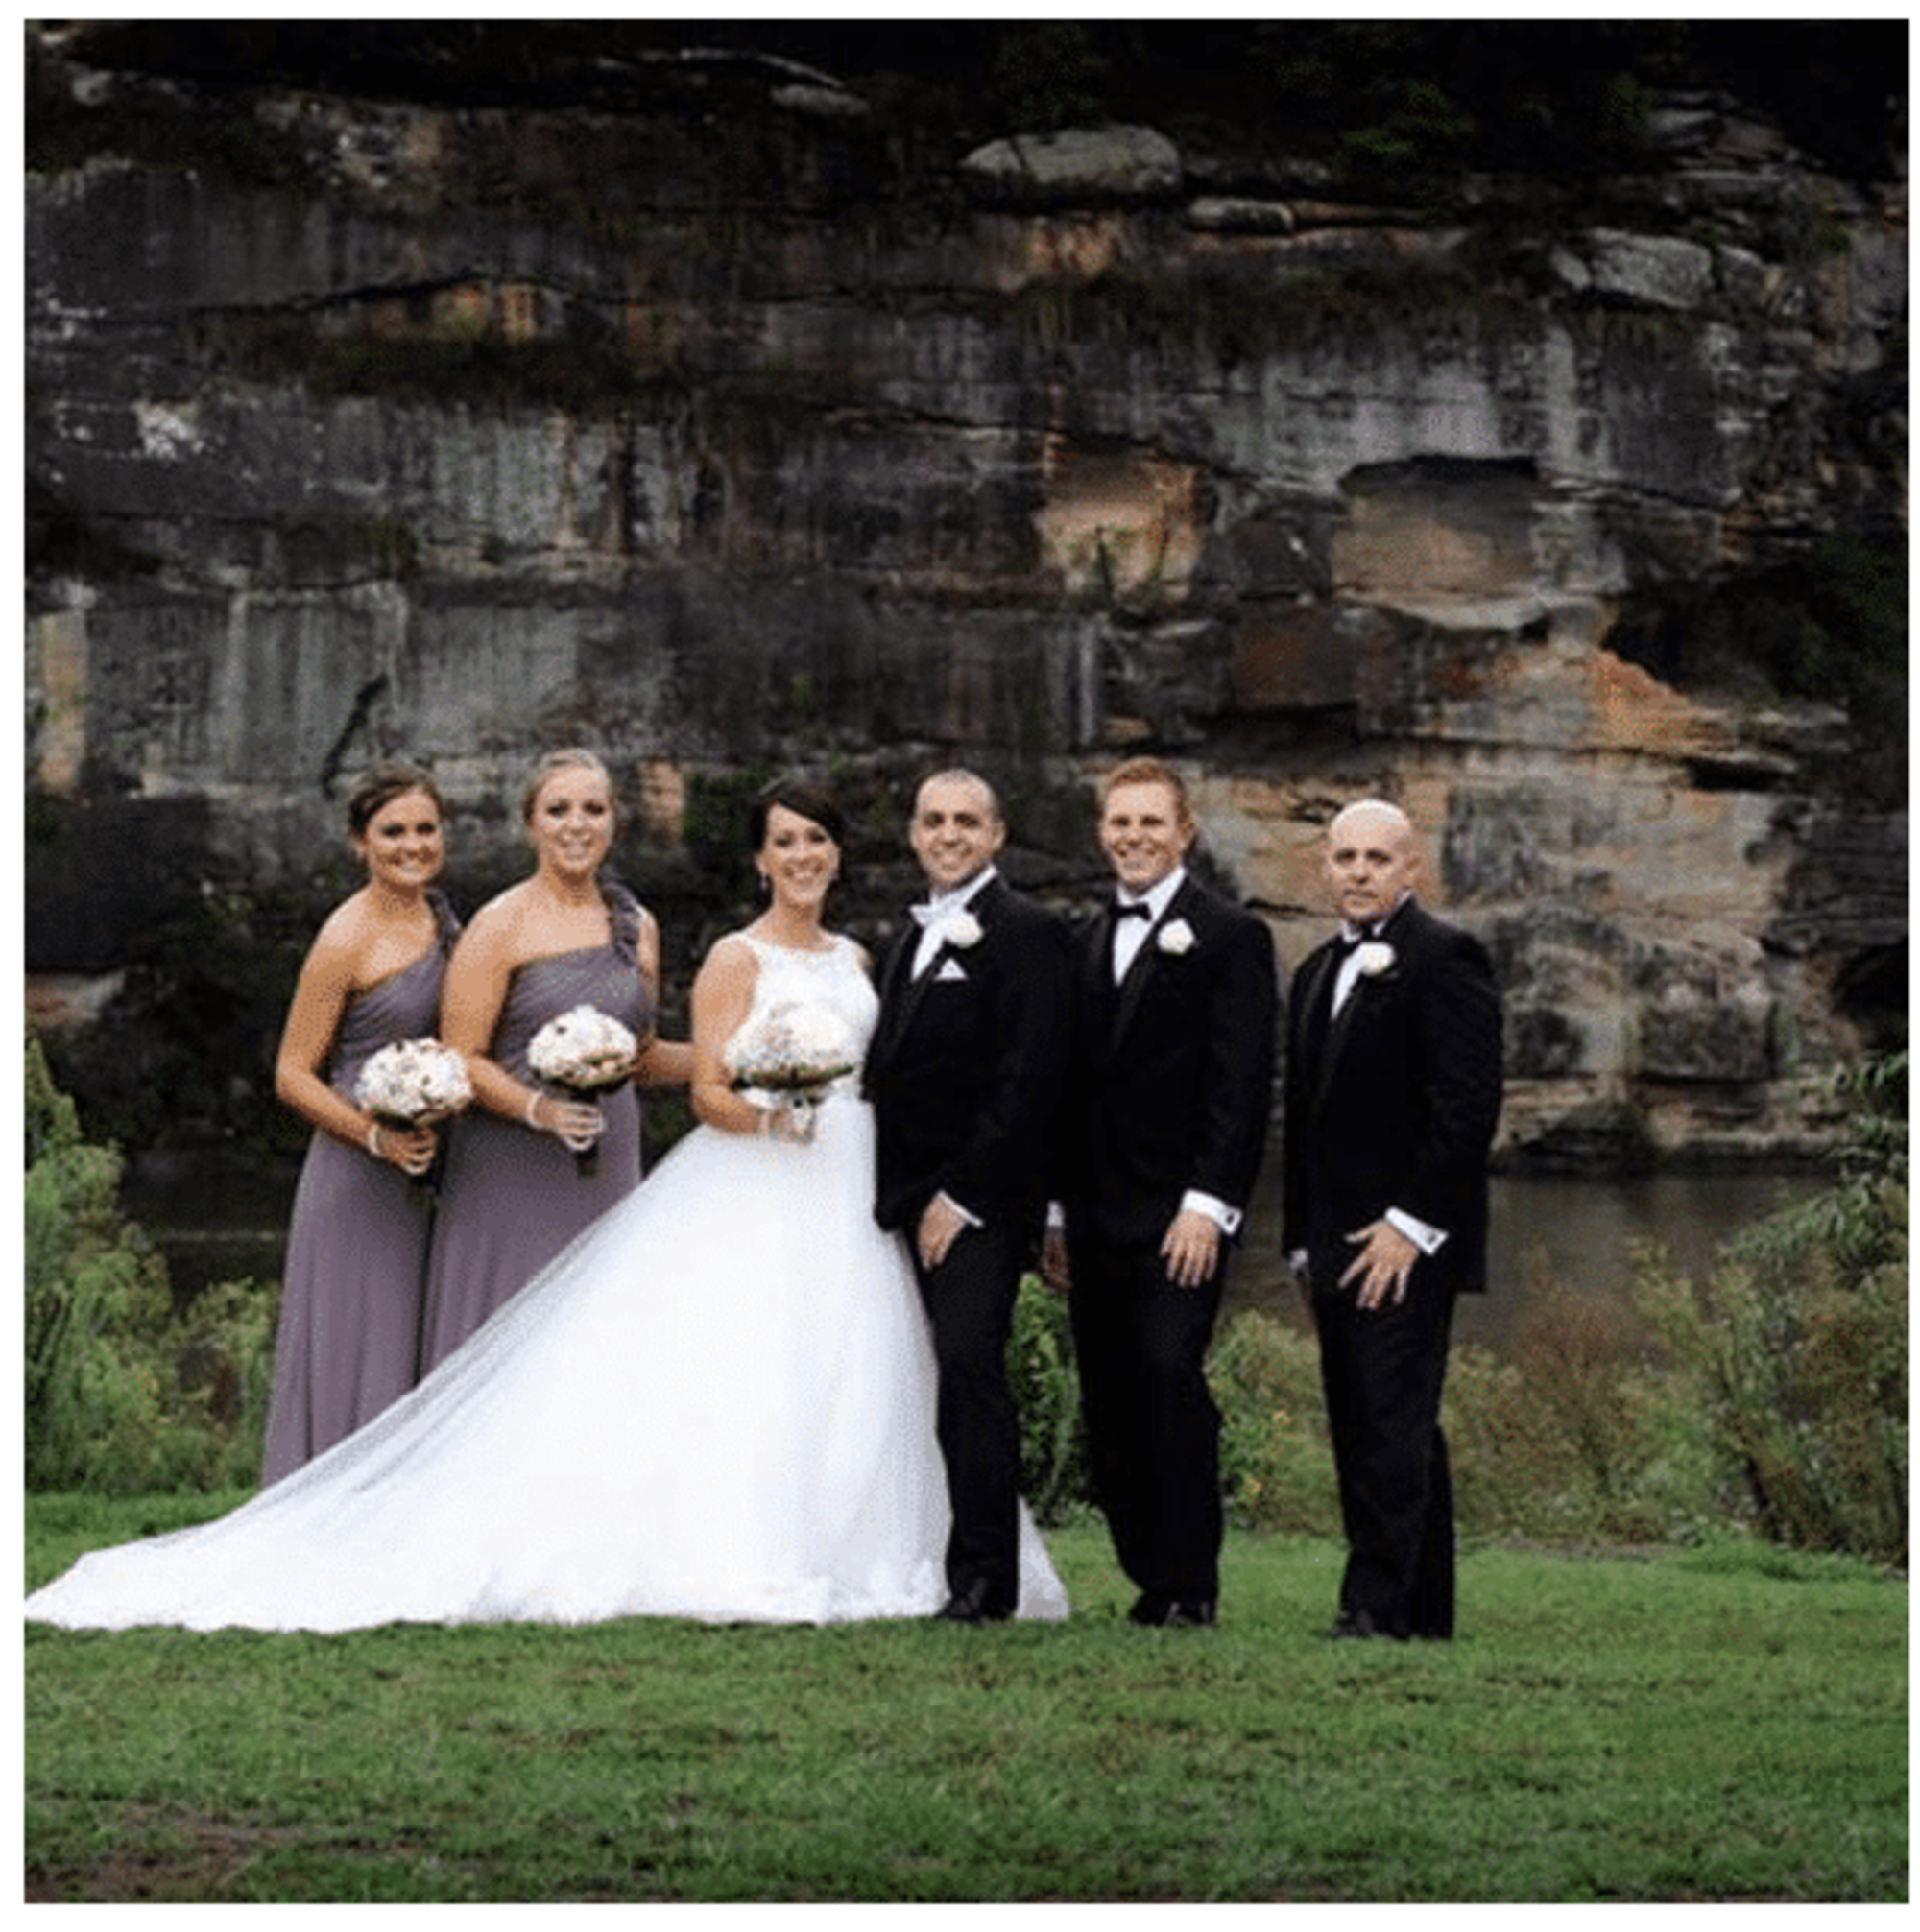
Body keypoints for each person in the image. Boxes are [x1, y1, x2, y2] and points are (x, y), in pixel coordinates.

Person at [24, 779, 1068, 1632]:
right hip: (697, 1162)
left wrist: (644, 1067)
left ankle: (888, 1546)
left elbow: (714, 1063)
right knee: (695, 1359)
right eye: (783, 842)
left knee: (859, 1363)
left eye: (816, 842)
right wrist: (740, 1108)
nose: (800, 857)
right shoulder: (643, 942)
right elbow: (686, 1078)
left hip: (845, 1177)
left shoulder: (840, 954)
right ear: (760, 857)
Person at [1044, 756, 1277, 1628]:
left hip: (1181, 1216)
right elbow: (1069, 1089)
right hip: (1095, 1215)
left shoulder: (1229, 936)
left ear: (1184, 833)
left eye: (1151, 822)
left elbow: (1241, 1085)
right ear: (1102, 832)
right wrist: (1057, 1211)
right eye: (1119, 822)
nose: (1133, 837)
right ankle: (1149, 1572)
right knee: (1109, 1394)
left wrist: (1208, 1203)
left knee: (1170, 1376)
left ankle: (1195, 1581)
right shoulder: (1087, 938)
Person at [1283, 798, 1502, 1641]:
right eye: (1346, 857)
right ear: (1327, 867)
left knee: (1391, 1419)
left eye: (1379, 857)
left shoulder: (1446, 958)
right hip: (1335, 1243)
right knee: (1367, 1420)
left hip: (1406, 1241)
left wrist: (1410, 1225)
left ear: (1412, 868)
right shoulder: (1311, 974)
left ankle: (1372, 1608)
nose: (1360, 872)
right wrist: (1301, 1246)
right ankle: (1423, 1609)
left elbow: (1466, 1109)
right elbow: (1303, 1126)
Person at [864, 770, 1075, 1622]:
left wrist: (969, 1194)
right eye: (933, 821)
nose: (948, 834)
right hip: (905, 1199)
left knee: (969, 1368)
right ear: (914, 834)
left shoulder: (1029, 933)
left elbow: (1032, 1080)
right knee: (930, 1374)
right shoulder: (902, 939)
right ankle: (950, 1559)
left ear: (996, 834)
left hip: (978, 1205)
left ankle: (987, 1577)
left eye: (966, 822)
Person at [419, 749, 688, 1372]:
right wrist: (538, 1108)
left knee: (600, 1337)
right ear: (531, 822)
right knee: (509, 1343)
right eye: (558, 809)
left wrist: (737, 1061)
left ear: (614, 822)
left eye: (593, 809)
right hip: (511, 1163)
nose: (577, 824)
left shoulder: (637, 924)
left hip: (609, 1157)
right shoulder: (498, 925)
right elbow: (461, 1057)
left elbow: (641, 1057)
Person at [259, 763, 460, 1484]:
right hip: (356, 1173)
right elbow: (290, 1072)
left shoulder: (442, 917)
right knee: (358, 1341)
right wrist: (377, 1136)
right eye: (393, 831)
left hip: (424, 1167)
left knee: (409, 1339)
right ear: (359, 841)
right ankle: (330, 1507)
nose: (413, 845)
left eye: (426, 828)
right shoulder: (345, 936)